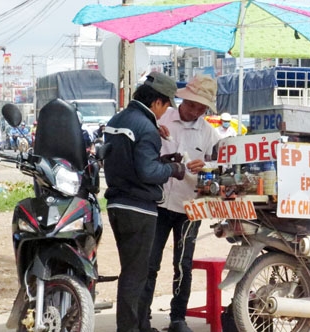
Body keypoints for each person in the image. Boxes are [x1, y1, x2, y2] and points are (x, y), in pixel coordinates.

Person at [103, 71, 186, 332]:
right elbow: (148, 173)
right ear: (157, 102)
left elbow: (133, 164)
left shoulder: (118, 119)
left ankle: (140, 325)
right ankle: (129, 328)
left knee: (131, 269)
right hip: (138, 208)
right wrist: (173, 170)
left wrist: (162, 160)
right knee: (135, 274)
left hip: (117, 204)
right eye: (167, 105)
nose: (166, 111)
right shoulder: (147, 128)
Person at [142, 74, 220, 332]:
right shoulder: (161, 118)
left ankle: (178, 318)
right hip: (159, 202)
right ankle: (143, 318)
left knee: (183, 264)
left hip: (189, 206)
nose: (195, 110)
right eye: (192, 104)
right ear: (182, 99)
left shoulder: (210, 134)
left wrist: (207, 167)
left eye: (201, 107)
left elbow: (220, 170)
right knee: (150, 263)